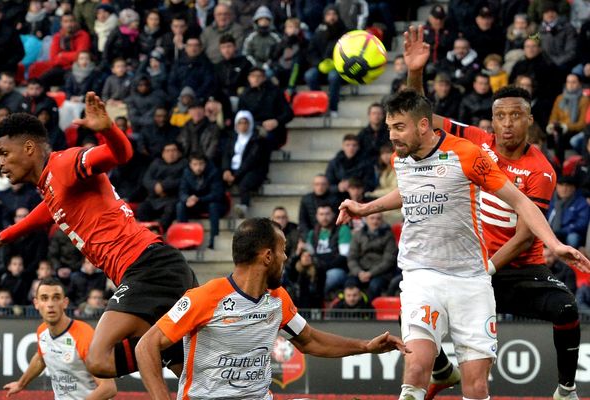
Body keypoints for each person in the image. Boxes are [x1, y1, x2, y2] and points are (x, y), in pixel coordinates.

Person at [400, 25, 590, 400]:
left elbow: (523, 236)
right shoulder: (476, 142)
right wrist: (416, 72)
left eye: (515, 116)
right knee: (423, 295)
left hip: (516, 270)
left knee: (567, 308)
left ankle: (566, 390)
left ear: (529, 120)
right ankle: (442, 370)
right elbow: (421, 118)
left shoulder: (542, 170)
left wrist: (484, 270)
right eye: (499, 116)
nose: (506, 124)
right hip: (471, 264)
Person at [0, 92, 198, 379]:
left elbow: (121, 154)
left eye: (3, 153)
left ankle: (163, 350)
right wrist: (1, 238)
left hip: (146, 268)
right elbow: (45, 212)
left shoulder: (64, 165)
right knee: (192, 377)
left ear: (28, 147)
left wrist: (109, 130)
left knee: (99, 359)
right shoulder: (51, 187)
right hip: (156, 265)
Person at [135, 217, 408, 398]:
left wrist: (366, 347)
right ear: (267, 256)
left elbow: (309, 340)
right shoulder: (204, 298)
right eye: (283, 249)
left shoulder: (277, 298)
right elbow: (145, 346)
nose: (286, 257)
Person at [3, 278, 117, 399]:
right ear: (36, 303)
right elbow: (40, 359)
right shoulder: (42, 331)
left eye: (56, 297)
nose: (50, 304)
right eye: (44, 298)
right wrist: (21, 384)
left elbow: (108, 387)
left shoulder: (83, 335)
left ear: (65, 302)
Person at [176, 152, 227, 249]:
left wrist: (199, 199)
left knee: (213, 206)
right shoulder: (186, 173)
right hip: (195, 204)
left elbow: (217, 194)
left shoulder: (214, 172)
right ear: (190, 164)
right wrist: (187, 199)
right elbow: (182, 191)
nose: (198, 167)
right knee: (180, 205)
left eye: (201, 164)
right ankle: (183, 239)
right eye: (195, 164)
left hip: (212, 204)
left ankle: (213, 240)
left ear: (205, 164)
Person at [347, 212, 397, 300]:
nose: (375, 221)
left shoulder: (389, 236)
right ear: (366, 220)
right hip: (360, 271)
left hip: (381, 273)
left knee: (375, 286)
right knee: (349, 284)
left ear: (382, 220)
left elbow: (388, 261)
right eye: (372, 218)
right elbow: (352, 257)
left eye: (378, 218)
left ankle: (369, 311)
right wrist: (359, 272)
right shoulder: (358, 235)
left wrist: (370, 273)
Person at [137, 142, 186, 230]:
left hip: (172, 198)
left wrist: (163, 186)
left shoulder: (184, 164)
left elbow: (182, 180)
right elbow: (146, 179)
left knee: (170, 209)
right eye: (167, 151)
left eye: (174, 150)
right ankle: (146, 232)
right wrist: (155, 186)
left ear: (179, 153)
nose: (170, 153)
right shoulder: (156, 163)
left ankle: (159, 230)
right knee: (142, 209)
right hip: (154, 198)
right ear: (163, 154)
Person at [307, 203, 351, 296]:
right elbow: (309, 255)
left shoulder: (343, 229)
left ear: (333, 215)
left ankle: (318, 307)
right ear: (316, 216)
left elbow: (343, 257)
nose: (324, 217)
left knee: (328, 279)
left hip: (336, 268)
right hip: (317, 267)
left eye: (327, 214)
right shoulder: (312, 233)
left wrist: (324, 267)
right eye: (321, 214)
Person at [298, 174, 341, 239]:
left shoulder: (335, 199)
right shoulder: (306, 200)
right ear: (313, 185)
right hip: (312, 234)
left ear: (327, 185)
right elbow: (303, 222)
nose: (320, 187)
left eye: (323, 184)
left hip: (331, 234)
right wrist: (309, 237)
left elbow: (338, 219)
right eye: (317, 184)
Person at [0, 2, 24, 80]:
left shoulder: (10, 31)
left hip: (5, 71)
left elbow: (20, 53)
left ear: (0, 14)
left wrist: (5, 66)